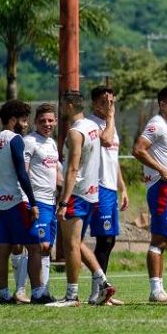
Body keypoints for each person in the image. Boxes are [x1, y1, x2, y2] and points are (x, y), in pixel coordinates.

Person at [0, 100, 50, 305]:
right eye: (23, 119)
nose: (26, 124)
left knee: (4, 248)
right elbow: (22, 173)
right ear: (13, 120)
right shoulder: (14, 140)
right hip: (17, 203)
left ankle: (4, 295)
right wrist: (33, 202)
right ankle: (38, 293)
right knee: (34, 247)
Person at [54, 91, 116, 307]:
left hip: (76, 193)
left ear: (70, 105)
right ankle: (103, 281)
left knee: (70, 244)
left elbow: (72, 168)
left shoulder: (75, 131)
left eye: (62, 104)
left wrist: (63, 201)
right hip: (91, 194)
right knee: (78, 243)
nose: (60, 108)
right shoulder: (92, 126)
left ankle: (72, 296)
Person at [132, 87, 167, 303]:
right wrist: (160, 169)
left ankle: (159, 289)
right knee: (159, 239)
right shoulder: (156, 125)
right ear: (161, 104)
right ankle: (155, 290)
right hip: (161, 187)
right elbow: (138, 149)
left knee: (164, 239)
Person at [88, 86, 129, 306]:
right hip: (99, 187)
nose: (109, 106)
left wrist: (123, 188)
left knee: (110, 240)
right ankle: (97, 293)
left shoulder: (110, 126)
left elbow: (114, 160)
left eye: (112, 102)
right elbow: (105, 140)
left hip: (111, 188)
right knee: (104, 240)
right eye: (105, 102)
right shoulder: (92, 125)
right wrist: (111, 119)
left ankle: (101, 290)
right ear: (95, 104)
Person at [23, 104, 63, 301]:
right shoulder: (29, 141)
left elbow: (56, 174)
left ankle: (43, 290)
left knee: (47, 248)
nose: (47, 124)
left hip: (51, 201)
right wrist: (28, 202)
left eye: (50, 120)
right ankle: (34, 291)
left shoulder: (52, 143)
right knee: (38, 245)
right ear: (35, 122)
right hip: (37, 201)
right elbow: (23, 172)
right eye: (42, 121)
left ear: (55, 121)